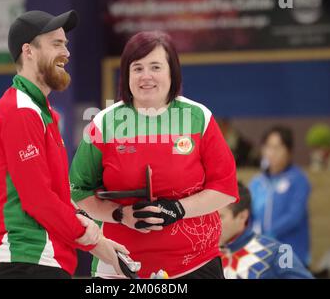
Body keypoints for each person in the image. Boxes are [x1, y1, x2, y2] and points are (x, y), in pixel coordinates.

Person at [70, 31, 239, 279]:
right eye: (137, 68)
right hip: (119, 266)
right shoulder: (104, 123)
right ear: (127, 75)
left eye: (156, 67)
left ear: (172, 73)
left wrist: (178, 209)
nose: (146, 76)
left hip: (195, 264)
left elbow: (224, 188)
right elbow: (78, 190)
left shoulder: (198, 117)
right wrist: (119, 214)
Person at [0, 10, 127, 279]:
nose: (67, 53)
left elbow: (55, 197)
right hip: (26, 260)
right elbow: (38, 199)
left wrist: (102, 246)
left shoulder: (41, 112)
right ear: (29, 50)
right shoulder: (21, 111)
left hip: (43, 261)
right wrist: (91, 238)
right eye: (56, 43)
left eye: (66, 44)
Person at [219, 182, 313, 279]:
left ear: (242, 216)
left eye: (219, 217)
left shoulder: (278, 253)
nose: (211, 224)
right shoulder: (204, 256)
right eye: (208, 216)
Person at [249, 126, 311, 266]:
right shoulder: (257, 183)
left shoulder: (298, 179)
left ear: (289, 151)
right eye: (268, 147)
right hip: (262, 254)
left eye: (278, 147)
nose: (272, 152)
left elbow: (294, 215)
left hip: (291, 252)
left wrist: (268, 233)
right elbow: (249, 215)